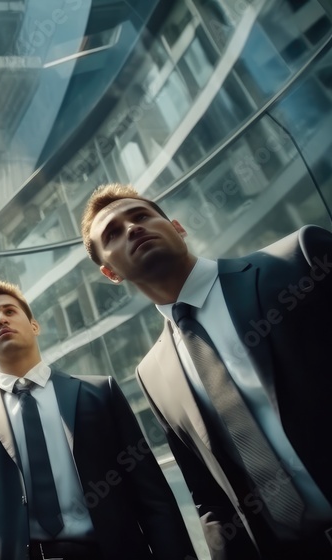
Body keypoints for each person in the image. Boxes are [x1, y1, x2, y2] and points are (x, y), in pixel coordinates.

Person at [80, 183, 332, 558]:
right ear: (110, 272)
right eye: (113, 233)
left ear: (178, 227)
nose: (132, 228)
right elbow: (209, 496)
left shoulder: (298, 259)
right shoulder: (152, 374)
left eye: (141, 216)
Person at [0, 280, 195, 560]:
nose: (0, 319)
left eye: (9, 311)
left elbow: (152, 498)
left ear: (34, 325)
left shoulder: (101, 393)